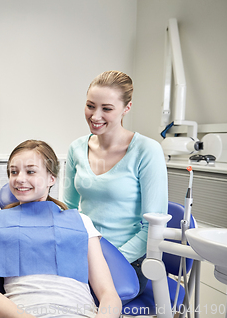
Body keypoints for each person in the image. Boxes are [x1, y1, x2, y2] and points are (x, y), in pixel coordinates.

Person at [0, 140, 121, 318]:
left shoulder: (81, 222)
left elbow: (109, 294)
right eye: (13, 172)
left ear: (51, 178)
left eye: (30, 171)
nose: (20, 178)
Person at [63, 70, 168, 299]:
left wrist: (106, 262)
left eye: (107, 109)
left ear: (126, 108)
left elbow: (152, 227)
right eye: (90, 106)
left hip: (127, 260)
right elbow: (68, 209)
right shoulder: (76, 148)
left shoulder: (147, 151)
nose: (95, 115)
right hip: (84, 252)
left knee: (76, 300)